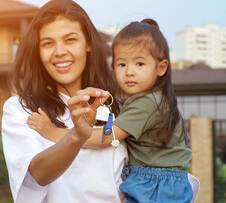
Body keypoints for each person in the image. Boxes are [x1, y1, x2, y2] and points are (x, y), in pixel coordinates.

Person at [28, 19, 196, 202]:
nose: (129, 71)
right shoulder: (145, 101)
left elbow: (107, 138)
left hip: (156, 186)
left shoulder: (148, 104)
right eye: (122, 64)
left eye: (139, 64)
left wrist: (53, 132)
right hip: (159, 183)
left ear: (161, 67)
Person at [1, 0, 128, 203]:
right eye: (48, 43)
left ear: (87, 43)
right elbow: (37, 174)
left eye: (70, 40)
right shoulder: (22, 109)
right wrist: (77, 136)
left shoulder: (121, 109)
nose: (59, 52)